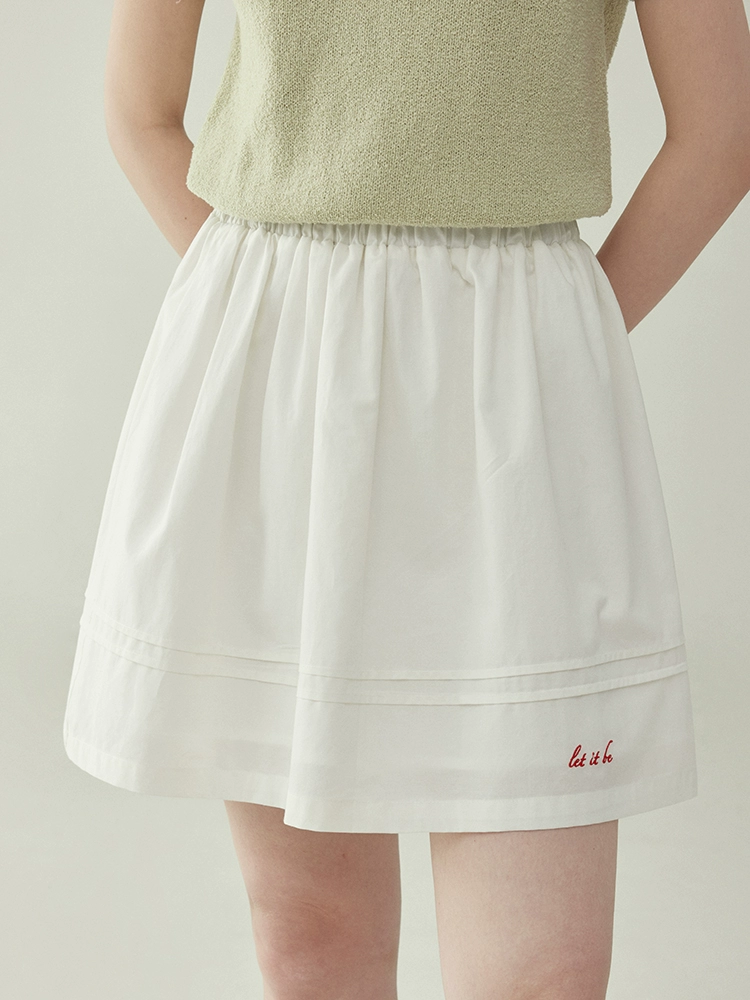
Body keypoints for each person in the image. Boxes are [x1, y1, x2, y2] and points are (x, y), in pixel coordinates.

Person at [62, 0, 750, 997]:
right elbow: (139, 108)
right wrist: (271, 324)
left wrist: (565, 345)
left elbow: (724, 128)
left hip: (517, 396)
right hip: (283, 392)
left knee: (540, 973)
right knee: (313, 939)